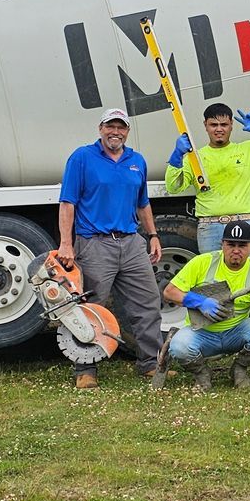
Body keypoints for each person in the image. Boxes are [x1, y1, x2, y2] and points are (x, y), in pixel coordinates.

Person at [56, 108, 165, 389]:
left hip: (131, 242)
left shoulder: (136, 161)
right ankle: (85, 368)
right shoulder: (82, 157)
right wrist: (66, 244)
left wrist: (152, 234)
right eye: (110, 126)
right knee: (89, 306)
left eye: (121, 127)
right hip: (94, 243)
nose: (115, 131)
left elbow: (143, 203)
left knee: (147, 303)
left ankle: (151, 363)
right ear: (100, 128)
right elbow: (68, 203)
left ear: (127, 131)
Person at [161, 220, 250, 389]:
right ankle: (202, 373)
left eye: (242, 245)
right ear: (222, 244)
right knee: (179, 346)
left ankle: (239, 368)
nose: (236, 250)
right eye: (231, 244)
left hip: (235, 333)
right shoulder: (202, 263)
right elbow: (169, 292)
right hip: (202, 333)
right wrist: (200, 302)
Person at [166, 102, 250, 253]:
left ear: (232, 124)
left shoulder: (249, 150)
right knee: (212, 277)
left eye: (224, 124)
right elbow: (173, 187)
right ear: (205, 125)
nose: (219, 129)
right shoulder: (195, 158)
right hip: (209, 228)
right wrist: (177, 156)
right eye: (213, 125)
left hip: (244, 223)